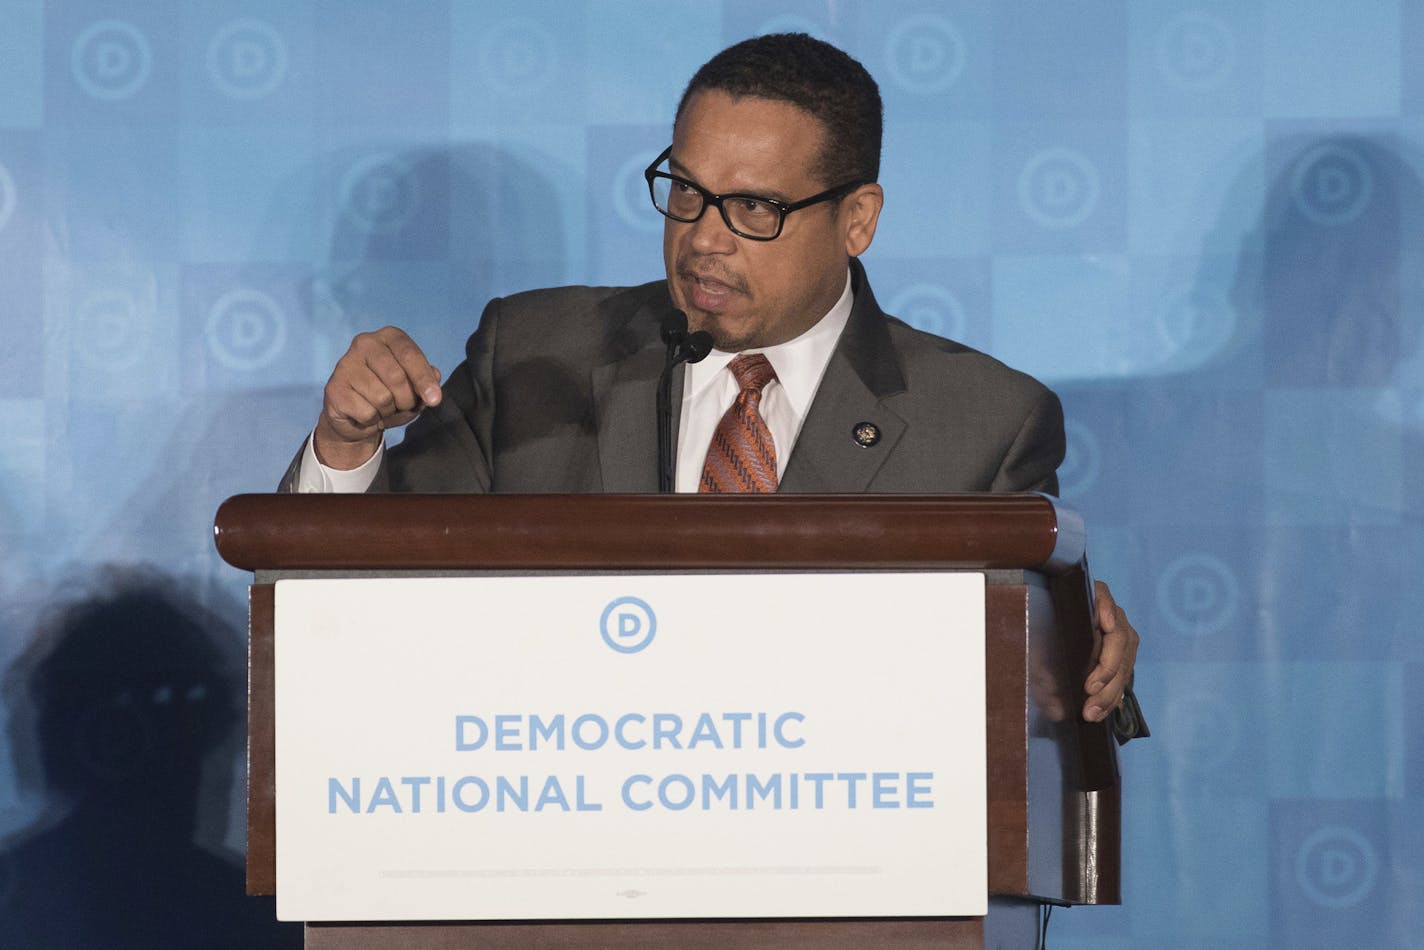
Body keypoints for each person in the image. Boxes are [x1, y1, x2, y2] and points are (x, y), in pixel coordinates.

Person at [283, 33, 1142, 732]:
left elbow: (1051, 709)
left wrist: (1071, 660)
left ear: (858, 219)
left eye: (754, 208)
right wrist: (347, 448)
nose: (704, 239)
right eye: (685, 192)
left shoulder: (983, 423)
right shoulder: (533, 355)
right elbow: (362, 609)